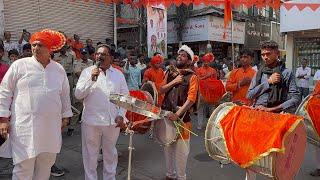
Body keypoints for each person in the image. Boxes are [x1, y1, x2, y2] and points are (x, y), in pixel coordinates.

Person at [0, 29, 72, 180]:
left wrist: (66, 116)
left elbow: (65, 95)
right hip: (25, 126)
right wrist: (3, 118)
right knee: (23, 166)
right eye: (34, 45)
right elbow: (4, 91)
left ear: (50, 49)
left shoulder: (58, 69)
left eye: (40, 45)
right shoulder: (19, 65)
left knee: (46, 164)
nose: (35, 48)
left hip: (50, 126)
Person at [246, 41, 300, 180]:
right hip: (256, 118)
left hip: (276, 120)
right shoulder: (259, 73)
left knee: (274, 161)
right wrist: (268, 82)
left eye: (268, 54)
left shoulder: (286, 73)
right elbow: (249, 95)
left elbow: (295, 98)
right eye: (263, 54)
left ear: (277, 54)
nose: (265, 57)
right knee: (251, 158)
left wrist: (271, 109)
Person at [75, 44, 128, 180]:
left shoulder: (118, 75)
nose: (99, 56)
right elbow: (78, 95)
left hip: (112, 122)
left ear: (110, 57)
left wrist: (121, 115)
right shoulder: (87, 72)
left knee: (110, 155)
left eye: (103, 54)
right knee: (90, 156)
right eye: (98, 54)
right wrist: (91, 80)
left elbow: (125, 98)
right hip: (91, 122)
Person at [160, 45, 199, 180]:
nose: (179, 57)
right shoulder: (169, 73)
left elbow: (191, 99)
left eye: (183, 55)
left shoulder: (192, 76)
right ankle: (170, 175)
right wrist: (174, 81)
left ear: (189, 61)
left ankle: (181, 177)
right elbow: (161, 89)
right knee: (167, 148)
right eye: (178, 55)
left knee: (181, 152)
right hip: (166, 116)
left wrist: (177, 115)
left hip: (182, 120)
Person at [195, 53, 218, 130]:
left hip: (211, 93)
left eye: (207, 61)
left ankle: (211, 125)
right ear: (202, 61)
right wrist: (206, 77)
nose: (206, 63)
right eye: (205, 61)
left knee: (211, 109)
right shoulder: (198, 70)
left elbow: (216, 81)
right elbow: (197, 80)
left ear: (210, 62)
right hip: (201, 92)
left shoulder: (213, 71)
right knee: (200, 109)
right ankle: (199, 124)